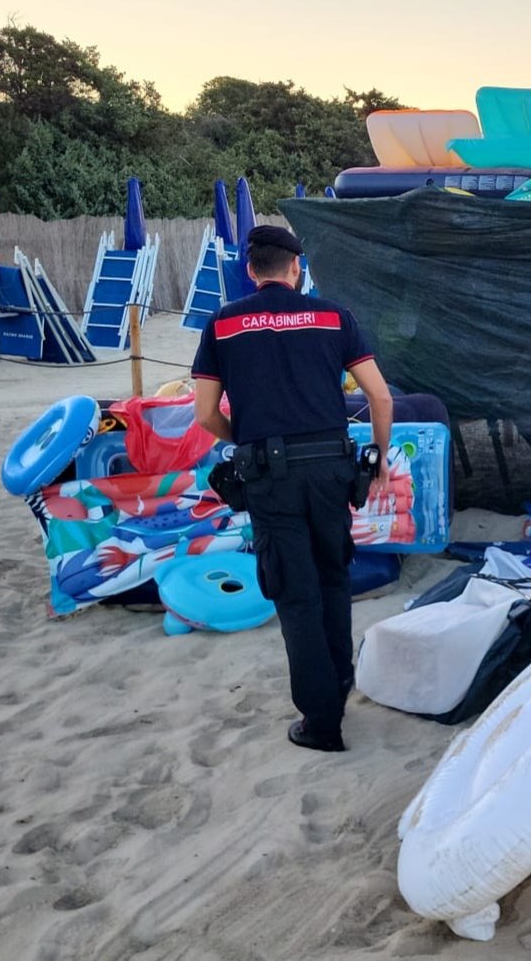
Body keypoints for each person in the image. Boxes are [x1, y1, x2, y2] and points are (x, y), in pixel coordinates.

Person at [190, 225, 392, 753]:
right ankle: (339, 685)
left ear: (251, 270)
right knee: (333, 578)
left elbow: (205, 414)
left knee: (294, 592)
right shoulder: (333, 316)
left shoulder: (223, 323)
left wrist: (249, 442)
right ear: (296, 268)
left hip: (269, 478)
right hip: (331, 472)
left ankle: (321, 724)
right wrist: (380, 458)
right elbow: (380, 397)